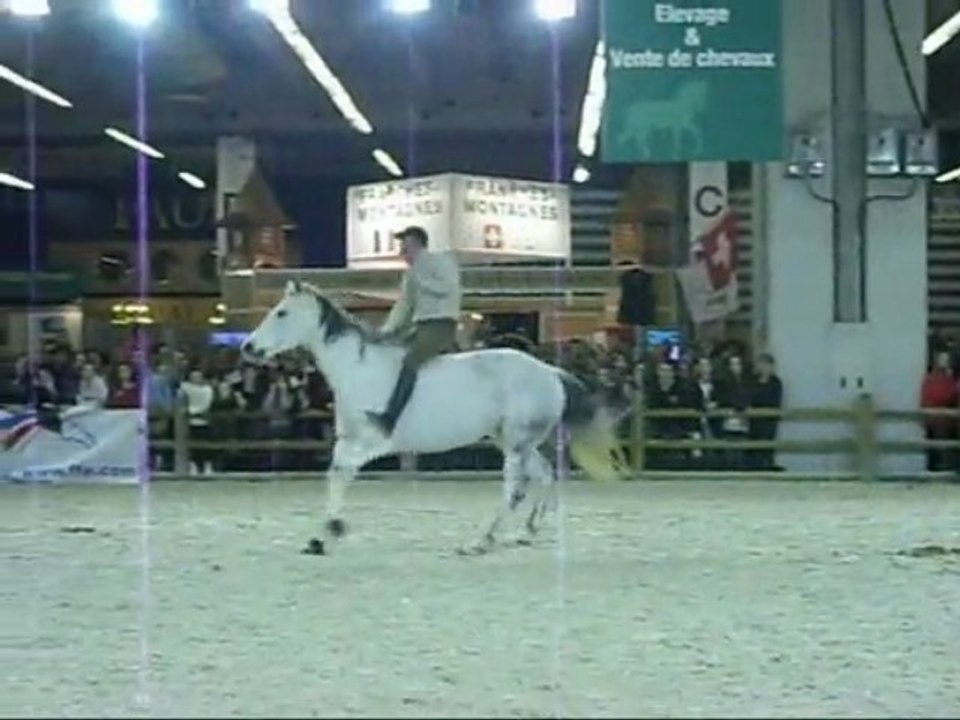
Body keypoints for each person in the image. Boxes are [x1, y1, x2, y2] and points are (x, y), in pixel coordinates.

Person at [366, 225, 462, 436]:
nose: (401, 252)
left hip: (441, 324)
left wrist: (422, 280)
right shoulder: (411, 274)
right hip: (421, 325)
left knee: (410, 362)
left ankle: (389, 419)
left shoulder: (441, 261)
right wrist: (385, 331)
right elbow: (404, 306)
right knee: (390, 355)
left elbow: (449, 289)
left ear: (416, 245)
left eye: (405, 246)